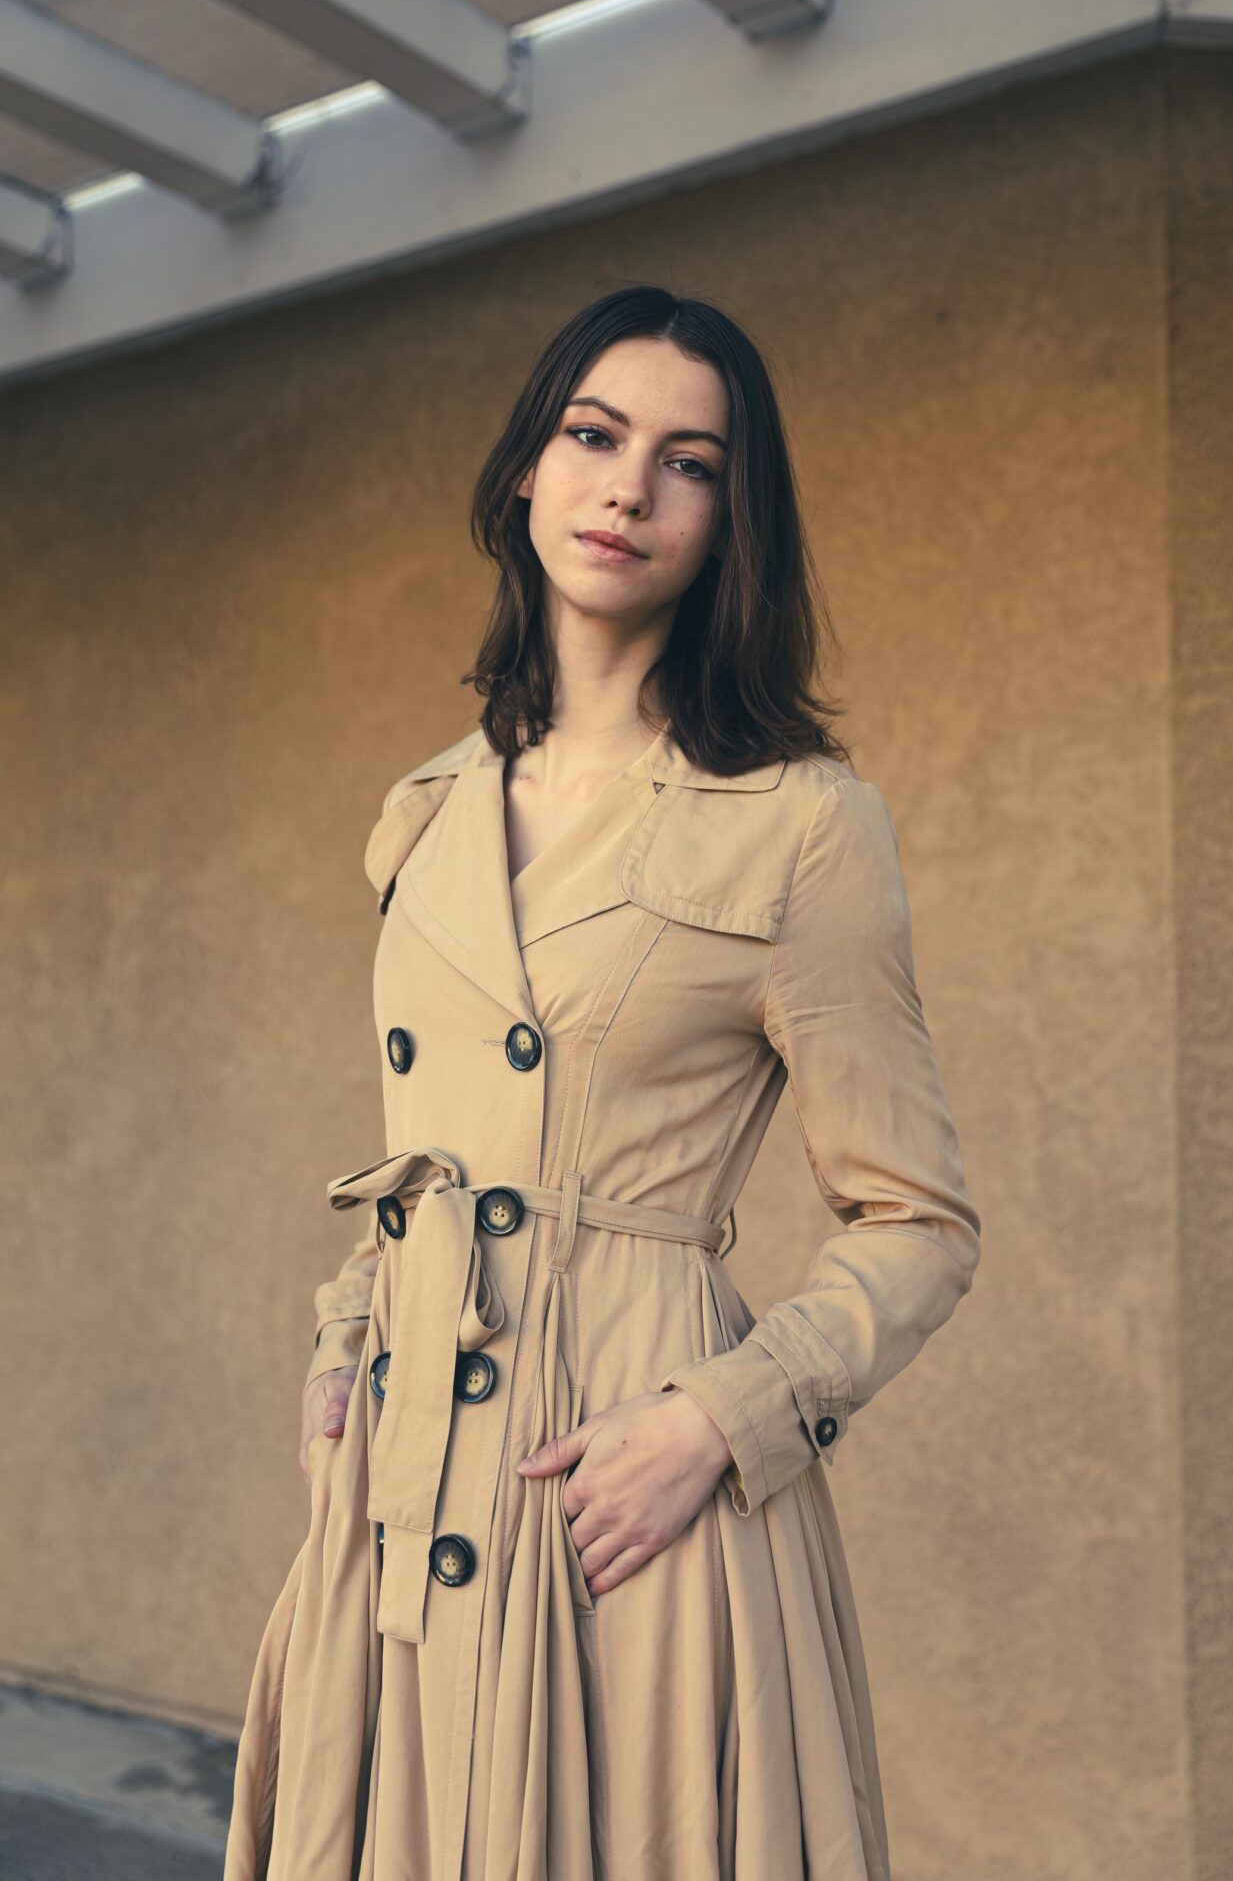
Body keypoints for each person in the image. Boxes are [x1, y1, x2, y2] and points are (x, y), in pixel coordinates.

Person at [224, 283, 981, 1880]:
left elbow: (917, 1221)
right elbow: (425, 1153)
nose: (628, 487)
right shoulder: (421, 812)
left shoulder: (797, 823)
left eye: (687, 462)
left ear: (729, 520)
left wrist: (721, 1419)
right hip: (401, 1476)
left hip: (619, 1496)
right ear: (525, 470)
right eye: (593, 435)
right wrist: (340, 1346)